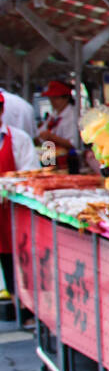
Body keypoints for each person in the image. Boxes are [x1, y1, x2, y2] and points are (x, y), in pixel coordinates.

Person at [0, 90, 39, 301]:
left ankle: (23, 301)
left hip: (14, 207)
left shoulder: (19, 138)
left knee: (18, 250)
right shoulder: (25, 106)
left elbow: (32, 171)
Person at [36, 80, 81, 172]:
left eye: (56, 98)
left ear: (66, 98)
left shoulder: (73, 116)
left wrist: (51, 136)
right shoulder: (54, 115)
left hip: (67, 160)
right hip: (50, 157)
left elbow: (74, 144)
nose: (52, 101)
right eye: (50, 98)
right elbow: (40, 132)